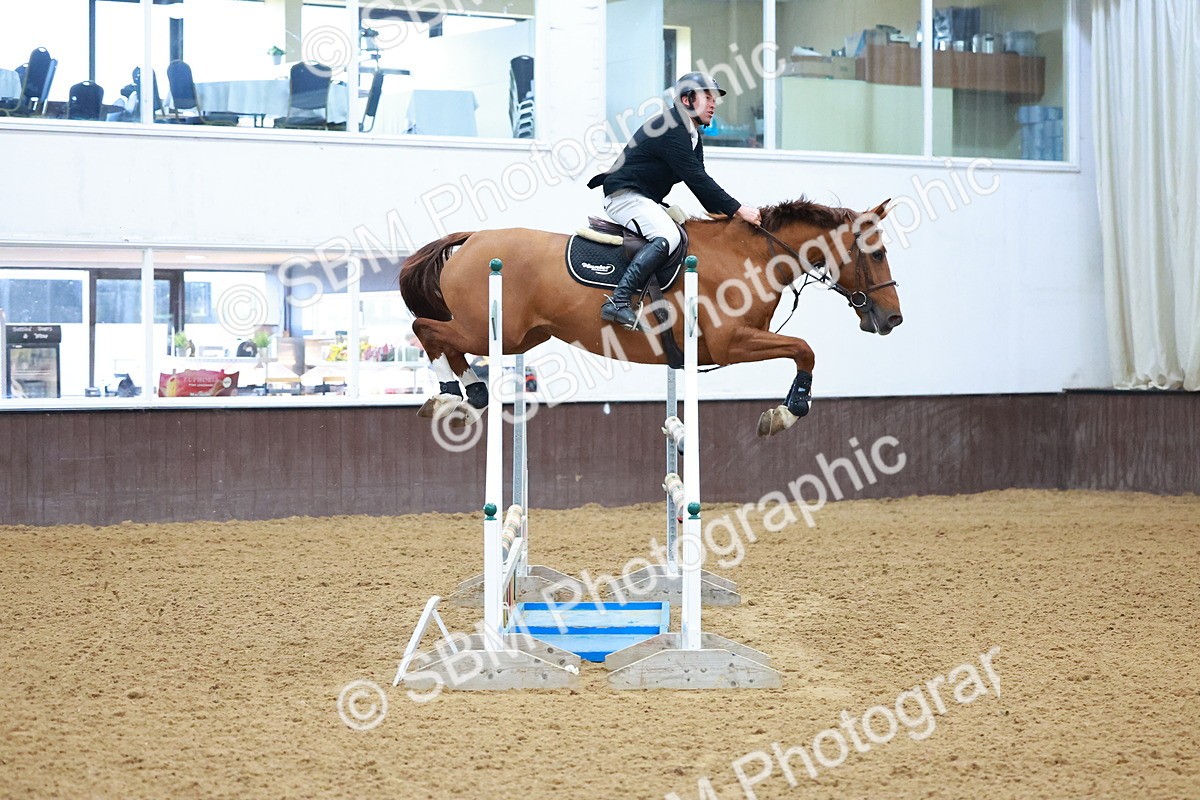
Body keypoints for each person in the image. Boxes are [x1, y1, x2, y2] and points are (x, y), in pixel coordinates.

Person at [587, 72, 762, 330]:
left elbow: (700, 182)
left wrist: (728, 218)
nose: (714, 104)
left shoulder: (691, 134)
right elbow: (697, 178)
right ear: (687, 99)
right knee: (669, 236)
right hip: (624, 197)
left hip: (642, 197)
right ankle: (618, 301)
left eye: (715, 98)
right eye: (707, 97)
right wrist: (738, 210)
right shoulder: (671, 127)